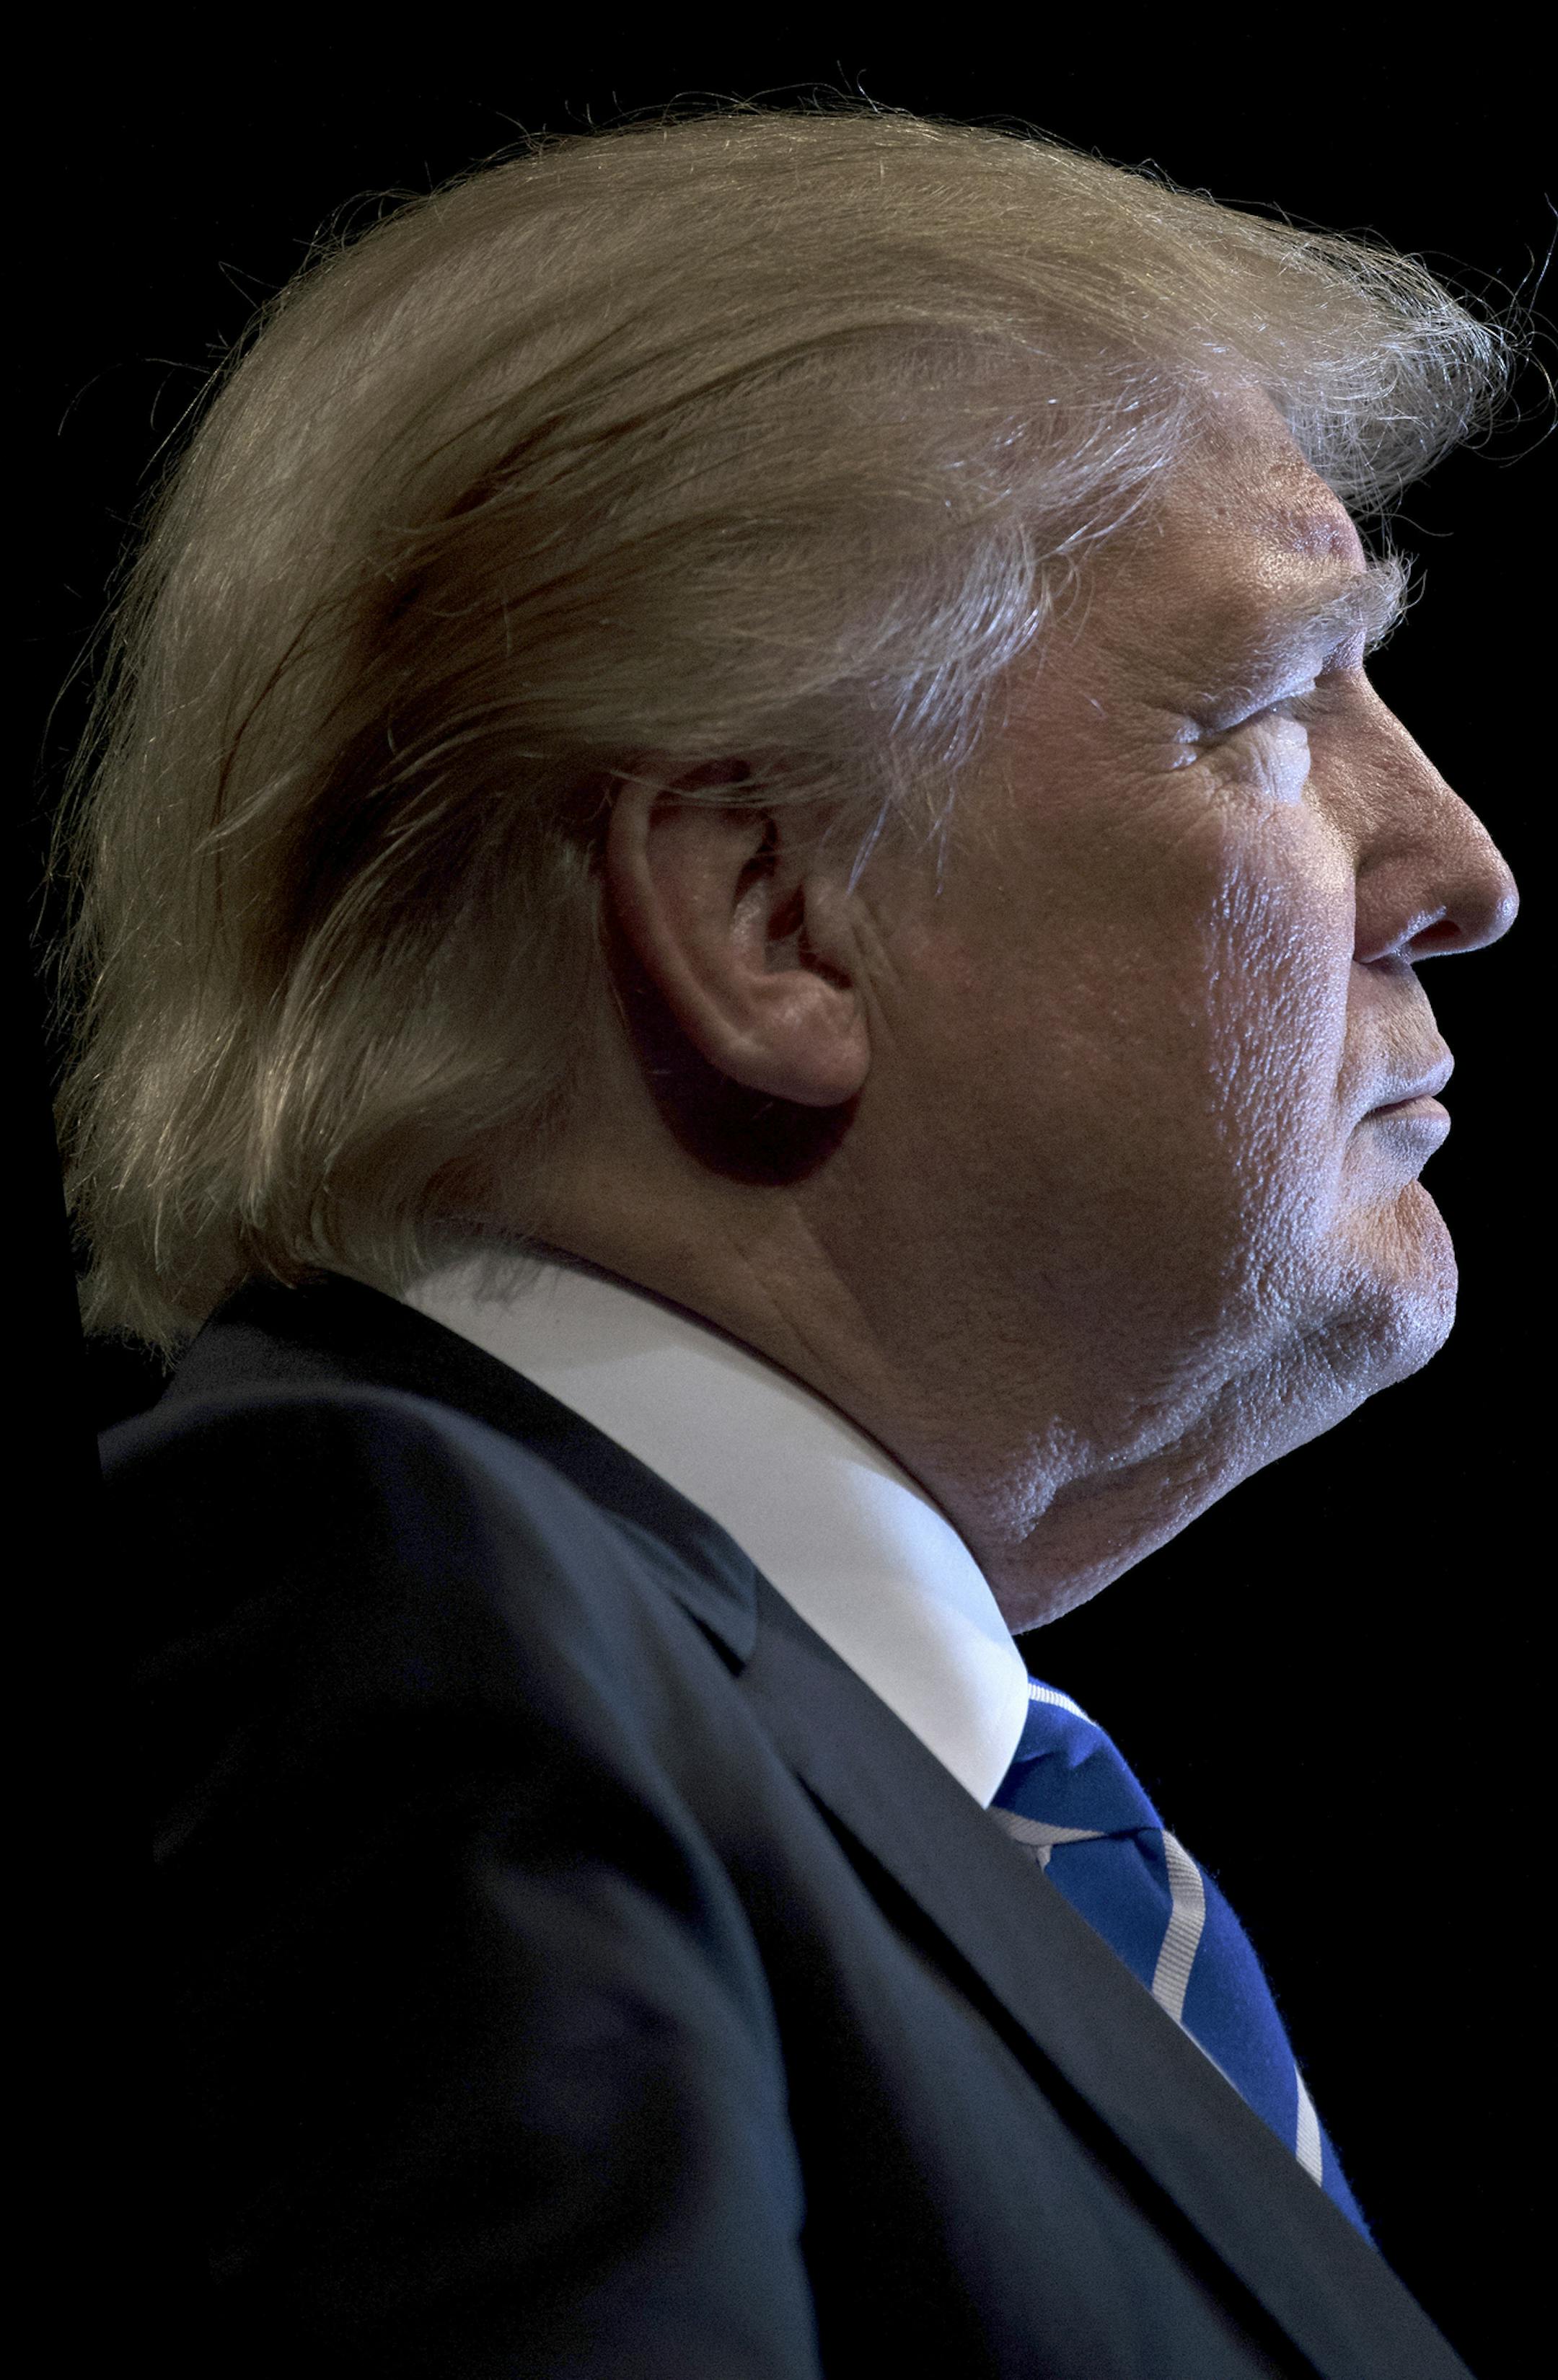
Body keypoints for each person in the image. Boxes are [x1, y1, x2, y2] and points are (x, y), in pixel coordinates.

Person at [55, 98, 1521, 2376]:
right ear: (773, 919)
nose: (1456, 859)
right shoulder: (377, 1611)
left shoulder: (846, 1770)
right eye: (1267, 706)